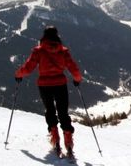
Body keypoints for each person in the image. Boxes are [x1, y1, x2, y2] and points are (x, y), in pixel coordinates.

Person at [15, 26, 82, 156]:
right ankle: (68, 139)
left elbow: (28, 68)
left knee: (50, 110)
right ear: (57, 36)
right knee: (63, 112)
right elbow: (73, 67)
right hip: (60, 85)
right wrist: (77, 79)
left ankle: (55, 137)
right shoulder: (63, 51)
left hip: (44, 85)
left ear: (44, 37)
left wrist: (18, 74)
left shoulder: (38, 51)